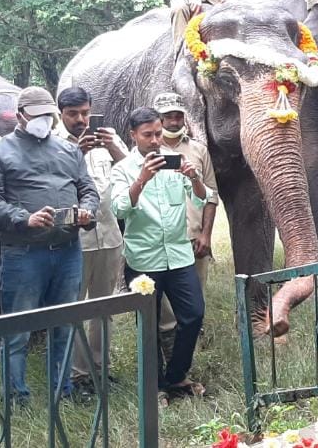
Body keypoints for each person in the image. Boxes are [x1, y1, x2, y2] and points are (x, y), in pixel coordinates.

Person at [0, 86, 99, 405]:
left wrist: (87, 212)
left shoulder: (68, 151)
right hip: (24, 255)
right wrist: (23, 218)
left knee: (64, 325)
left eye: (48, 115)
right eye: (37, 115)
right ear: (20, 116)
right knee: (18, 330)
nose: (44, 121)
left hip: (68, 251)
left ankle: (63, 391)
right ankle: (17, 397)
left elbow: (88, 189)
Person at [111, 107, 211, 401]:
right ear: (133, 135)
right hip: (144, 260)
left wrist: (194, 178)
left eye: (158, 133)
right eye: (148, 135)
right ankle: (155, 386)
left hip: (179, 257)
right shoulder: (123, 169)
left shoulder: (176, 161)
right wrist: (141, 179)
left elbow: (202, 198)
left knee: (193, 315)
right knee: (148, 327)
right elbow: (118, 208)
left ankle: (176, 376)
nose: (155, 140)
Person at [55, 87, 127, 395]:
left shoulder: (105, 138)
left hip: (109, 236)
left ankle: (99, 369)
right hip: (76, 241)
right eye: (73, 115)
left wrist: (114, 148)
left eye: (85, 113)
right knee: (72, 309)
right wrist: (77, 152)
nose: (81, 120)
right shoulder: (54, 143)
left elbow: (131, 170)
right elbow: (52, 183)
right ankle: (74, 375)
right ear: (61, 114)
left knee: (103, 308)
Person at [151, 93, 219, 345]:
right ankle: (168, 340)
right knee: (164, 299)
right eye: (168, 116)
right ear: (158, 119)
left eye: (178, 115)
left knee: (195, 294)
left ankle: (192, 337)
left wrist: (206, 235)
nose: (174, 121)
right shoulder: (147, 150)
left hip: (192, 237)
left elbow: (212, 195)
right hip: (159, 240)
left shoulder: (198, 150)